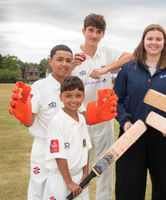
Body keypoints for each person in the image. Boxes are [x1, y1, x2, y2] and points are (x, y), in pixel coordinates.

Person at [113, 24, 166, 200]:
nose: (154, 42)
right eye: (150, 38)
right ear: (143, 41)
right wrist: (125, 122)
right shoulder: (129, 67)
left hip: (162, 136)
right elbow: (117, 100)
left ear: (164, 42)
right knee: (129, 184)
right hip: (131, 132)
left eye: (158, 39)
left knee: (163, 185)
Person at [71, 13, 131, 200]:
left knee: (104, 166)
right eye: (91, 30)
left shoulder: (105, 52)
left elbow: (130, 56)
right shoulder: (74, 56)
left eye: (98, 32)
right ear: (83, 31)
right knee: (82, 167)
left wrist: (106, 69)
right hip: (81, 120)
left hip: (104, 120)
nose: (94, 35)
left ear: (103, 34)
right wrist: (71, 64)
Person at [9, 44, 74, 199]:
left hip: (68, 147)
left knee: (64, 188)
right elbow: (29, 122)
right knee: (39, 186)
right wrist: (23, 113)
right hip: (45, 146)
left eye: (68, 60)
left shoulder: (73, 85)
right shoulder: (39, 87)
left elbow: (81, 116)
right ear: (50, 61)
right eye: (60, 59)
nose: (64, 64)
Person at [43, 76, 91, 200]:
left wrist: (85, 173)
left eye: (78, 95)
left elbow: (86, 147)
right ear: (61, 97)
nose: (73, 100)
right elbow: (59, 156)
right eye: (68, 96)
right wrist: (69, 182)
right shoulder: (57, 121)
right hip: (61, 178)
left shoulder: (81, 119)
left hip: (80, 177)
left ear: (83, 96)